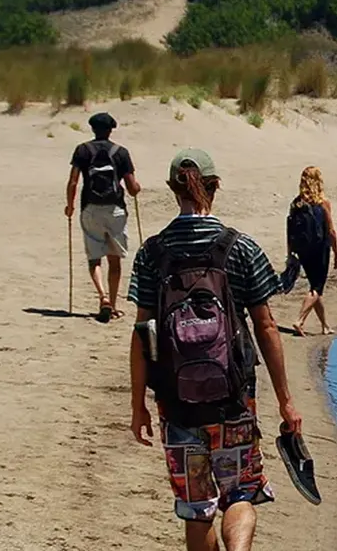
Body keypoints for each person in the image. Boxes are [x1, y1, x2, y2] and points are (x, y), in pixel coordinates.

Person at [127, 148, 302, 551]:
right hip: (234, 400)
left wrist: (137, 403)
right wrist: (286, 401)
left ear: (173, 189)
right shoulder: (240, 248)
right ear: (215, 186)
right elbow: (266, 326)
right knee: (240, 493)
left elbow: (142, 334)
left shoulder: (152, 253)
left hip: (176, 403)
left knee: (197, 506)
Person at [65, 112, 141, 323]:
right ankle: (114, 305)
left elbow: (73, 182)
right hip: (115, 210)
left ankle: (103, 296)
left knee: (94, 258)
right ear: (110, 130)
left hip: (90, 208)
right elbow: (132, 187)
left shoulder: (82, 150)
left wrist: (70, 206)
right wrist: (137, 189)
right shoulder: (121, 152)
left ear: (92, 129)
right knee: (114, 260)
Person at [286, 166, 337, 337]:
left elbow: (289, 229)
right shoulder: (323, 202)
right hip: (319, 249)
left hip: (303, 250)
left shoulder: (296, 203)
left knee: (315, 287)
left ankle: (324, 326)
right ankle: (299, 320)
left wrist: (290, 253)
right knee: (316, 288)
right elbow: (331, 231)